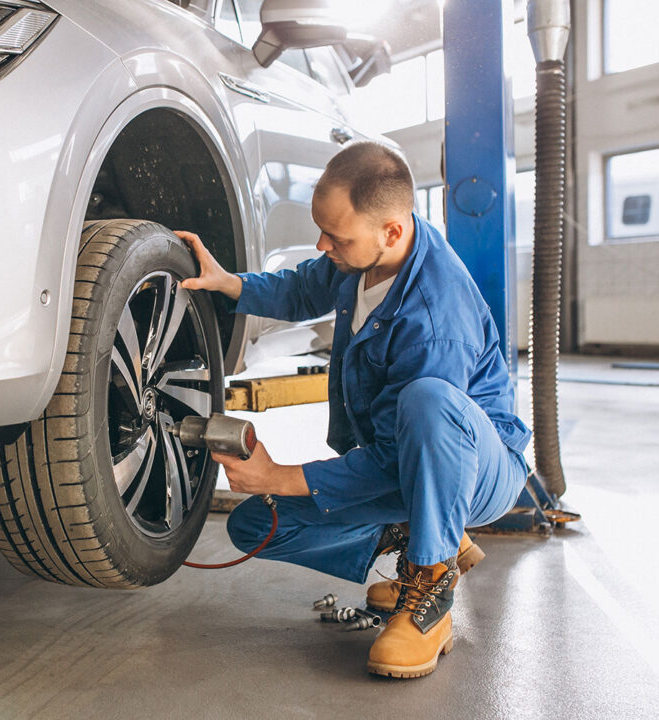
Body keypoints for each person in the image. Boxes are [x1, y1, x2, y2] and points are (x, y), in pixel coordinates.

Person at [174, 141, 530, 679]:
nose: (322, 244)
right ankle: (421, 540)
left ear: (390, 231)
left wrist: (281, 474)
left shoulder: (437, 316)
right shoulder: (363, 256)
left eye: (335, 237)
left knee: (427, 399)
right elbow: (300, 289)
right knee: (257, 525)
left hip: (480, 468)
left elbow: (397, 458)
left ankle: (430, 591)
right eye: (322, 230)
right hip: (410, 461)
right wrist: (231, 285)